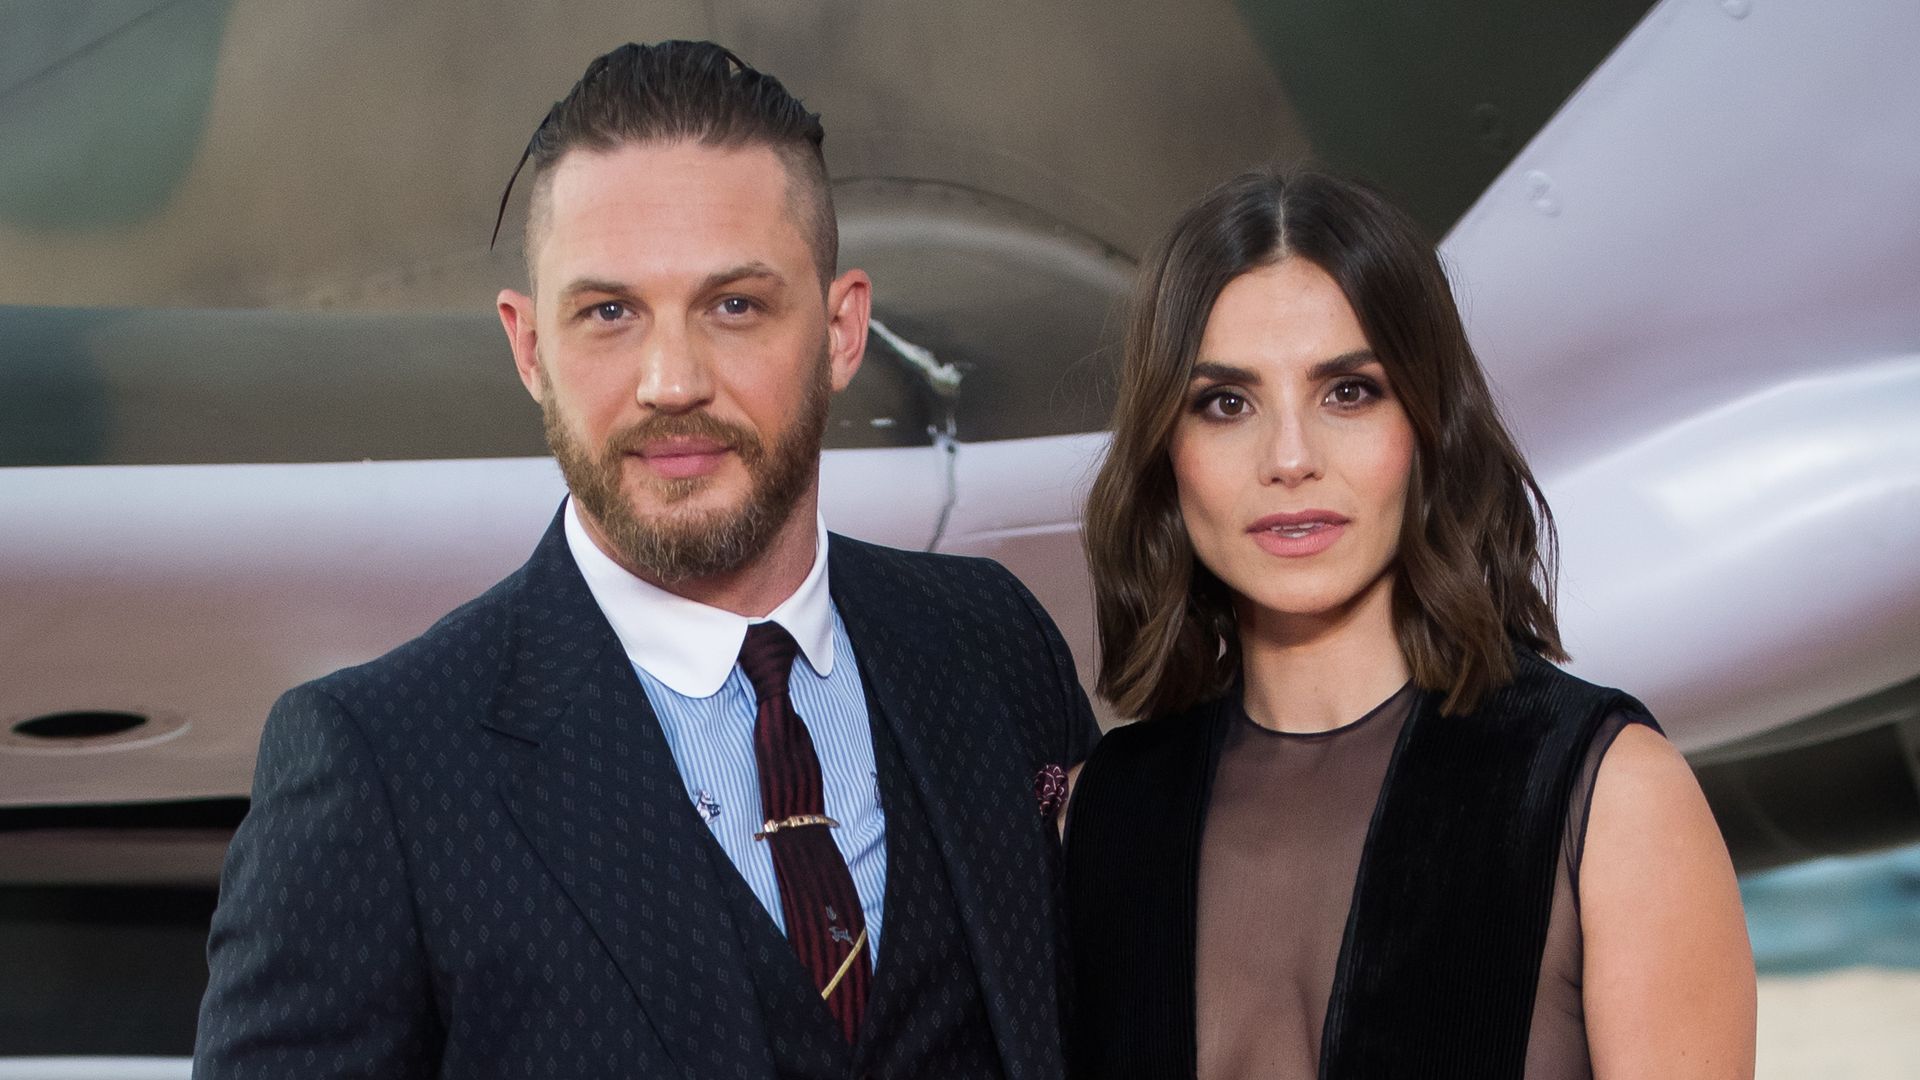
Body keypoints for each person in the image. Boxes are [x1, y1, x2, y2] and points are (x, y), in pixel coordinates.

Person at [195, 41, 1097, 1080]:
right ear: (529, 348)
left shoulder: (993, 646)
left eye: (735, 305)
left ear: (844, 329)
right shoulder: (376, 770)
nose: (673, 381)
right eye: (610, 313)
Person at [1063, 169, 1755, 1080]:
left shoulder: (1608, 796)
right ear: (1167, 451)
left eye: (1348, 392)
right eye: (1225, 403)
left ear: (1430, 425)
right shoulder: (1099, 814)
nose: (1290, 458)